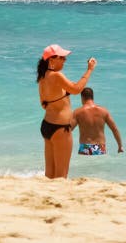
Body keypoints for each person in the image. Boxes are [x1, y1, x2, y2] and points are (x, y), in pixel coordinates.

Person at [36, 44, 96, 178]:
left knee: (50, 175)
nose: (65, 60)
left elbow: (43, 104)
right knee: (61, 175)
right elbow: (76, 89)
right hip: (60, 129)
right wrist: (89, 70)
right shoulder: (57, 76)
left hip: (47, 125)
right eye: (62, 57)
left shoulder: (42, 77)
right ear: (51, 60)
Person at [71, 87, 123, 155]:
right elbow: (114, 129)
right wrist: (120, 146)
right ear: (92, 97)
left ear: (82, 97)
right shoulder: (104, 111)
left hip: (85, 147)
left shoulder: (78, 112)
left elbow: (68, 130)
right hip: (100, 147)